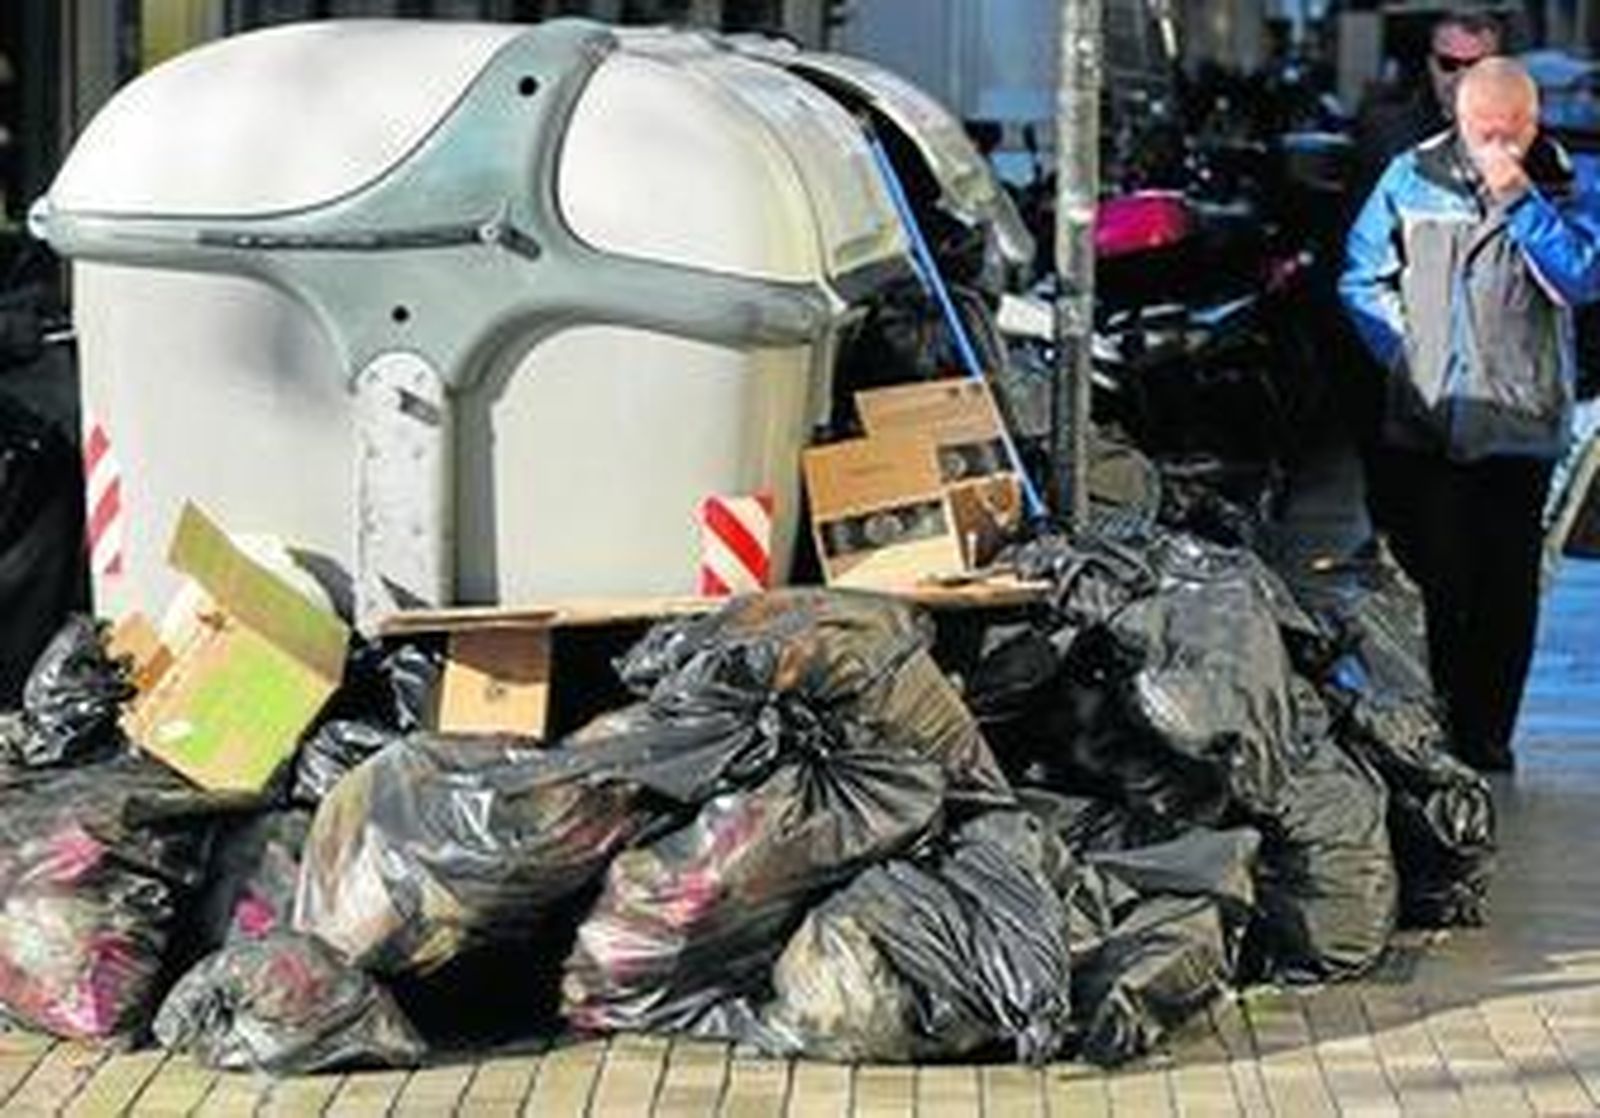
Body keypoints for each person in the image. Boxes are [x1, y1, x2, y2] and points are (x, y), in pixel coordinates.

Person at [1340, 57, 1600, 772]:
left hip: (1521, 418)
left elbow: (1580, 276)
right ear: (1459, 119)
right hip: (1432, 417)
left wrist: (1517, 195)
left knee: (1507, 585)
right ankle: (1448, 718)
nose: (1495, 146)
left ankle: (1490, 732)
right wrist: (1408, 358)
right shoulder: (1412, 177)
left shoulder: (1568, 182)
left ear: (1532, 124)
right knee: (1442, 578)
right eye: (1483, 132)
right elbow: (1361, 277)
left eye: (1509, 133)